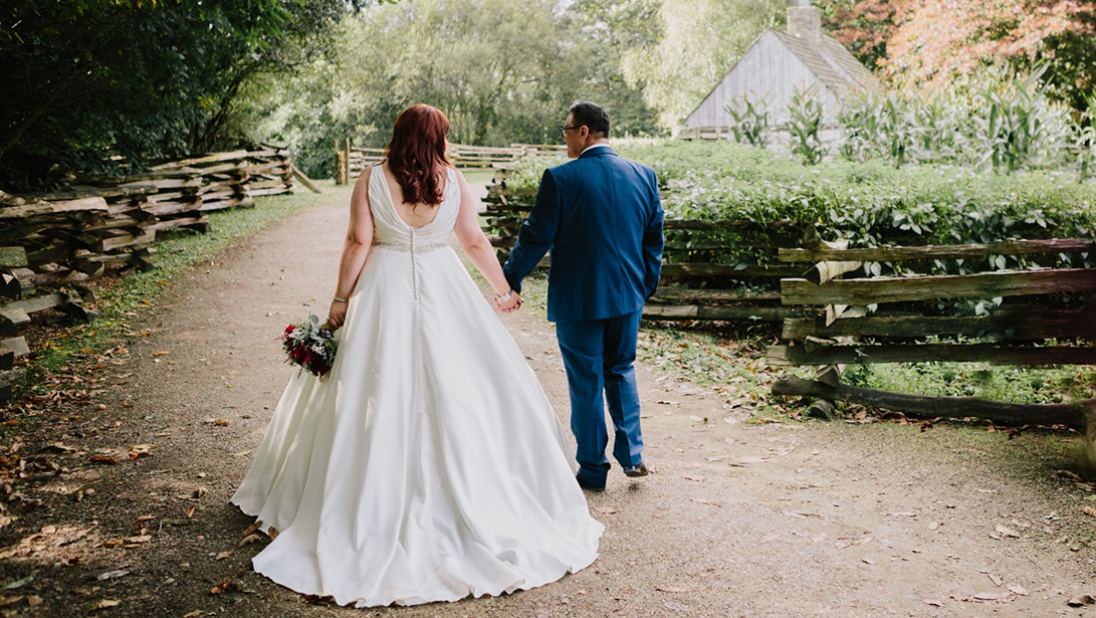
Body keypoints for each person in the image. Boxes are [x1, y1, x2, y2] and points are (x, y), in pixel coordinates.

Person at [229, 104, 604, 608]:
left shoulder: (371, 179)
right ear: (439, 137)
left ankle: (365, 482)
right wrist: (501, 291)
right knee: (458, 383)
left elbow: (359, 240)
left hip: (380, 289)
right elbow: (472, 240)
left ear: (399, 134)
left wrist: (340, 302)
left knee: (372, 382)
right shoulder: (452, 179)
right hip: (442, 284)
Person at [502, 101, 664, 493]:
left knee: (586, 380)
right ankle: (633, 456)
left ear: (584, 132)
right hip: (627, 296)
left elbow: (535, 237)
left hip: (579, 301)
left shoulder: (561, 179)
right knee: (621, 369)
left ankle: (593, 470)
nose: (565, 138)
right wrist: (644, 287)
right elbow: (654, 239)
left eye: (567, 130)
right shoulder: (644, 175)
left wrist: (509, 278)